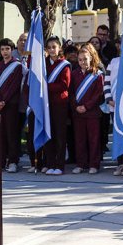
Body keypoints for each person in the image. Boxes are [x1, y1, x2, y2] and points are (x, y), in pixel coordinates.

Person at [69, 44, 103, 174]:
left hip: (92, 113)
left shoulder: (97, 75)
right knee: (79, 139)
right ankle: (81, 164)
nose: (83, 62)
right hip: (78, 113)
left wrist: (86, 106)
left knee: (93, 139)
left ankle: (94, 164)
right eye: (80, 59)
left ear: (91, 59)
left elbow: (98, 94)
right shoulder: (74, 74)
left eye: (85, 59)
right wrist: (76, 106)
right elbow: (71, 93)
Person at [0, 38, 24, 173]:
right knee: (1, 133)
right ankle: (2, 160)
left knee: (12, 133)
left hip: (11, 104)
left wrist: (4, 100)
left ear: (12, 50)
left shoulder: (17, 65)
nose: (5, 52)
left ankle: (13, 161)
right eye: (2, 49)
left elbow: (14, 85)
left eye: (7, 49)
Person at [42, 36, 71, 175]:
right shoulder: (43, 64)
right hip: (46, 103)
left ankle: (59, 165)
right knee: (48, 133)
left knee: (60, 134)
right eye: (49, 47)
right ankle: (50, 163)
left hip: (60, 104)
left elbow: (64, 85)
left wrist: (46, 86)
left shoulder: (64, 65)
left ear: (59, 48)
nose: (52, 50)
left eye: (54, 47)